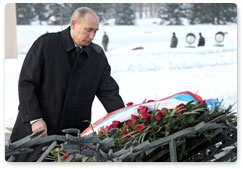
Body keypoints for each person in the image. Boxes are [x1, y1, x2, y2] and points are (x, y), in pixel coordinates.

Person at [8, 7, 125, 162]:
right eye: (88, 30)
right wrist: (35, 118)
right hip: (35, 133)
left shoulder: (97, 56)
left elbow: (109, 92)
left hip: (72, 137)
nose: (92, 36)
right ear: (73, 24)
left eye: (95, 32)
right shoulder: (46, 44)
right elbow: (26, 83)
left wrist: (124, 119)